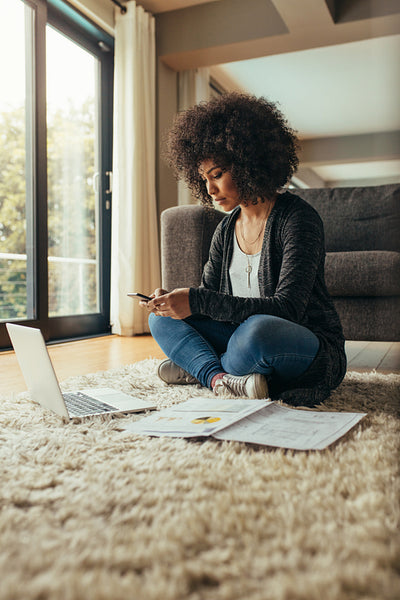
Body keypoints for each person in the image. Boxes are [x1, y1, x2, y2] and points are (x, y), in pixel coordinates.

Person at [142, 92, 346, 406]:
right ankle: (220, 378)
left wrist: (197, 300)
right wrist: (175, 301)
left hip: (296, 342)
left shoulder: (298, 219)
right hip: (237, 339)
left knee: (256, 331)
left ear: (249, 161)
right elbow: (210, 299)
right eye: (204, 179)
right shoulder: (225, 229)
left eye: (218, 175)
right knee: (160, 319)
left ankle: (200, 366)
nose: (210, 189)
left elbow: (288, 309)